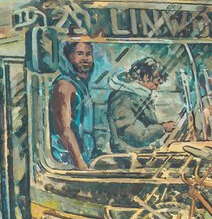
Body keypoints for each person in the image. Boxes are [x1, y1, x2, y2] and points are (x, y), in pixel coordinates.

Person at [107, 56, 174, 153]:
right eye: (156, 84)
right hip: (129, 156)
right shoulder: (123, 99)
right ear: (146, 77)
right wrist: (162, 128)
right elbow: (137, 135)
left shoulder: (136, 96)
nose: (157, 88)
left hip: (138, 153)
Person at [49, 40, 97, 168]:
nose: (85, 59)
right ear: (69, 57)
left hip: (83, 156)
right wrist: (80, 163)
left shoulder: (81, 85)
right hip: (66, 159)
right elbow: (65, 130)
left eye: (89, 54)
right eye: (79, 54)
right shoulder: (65, 86)